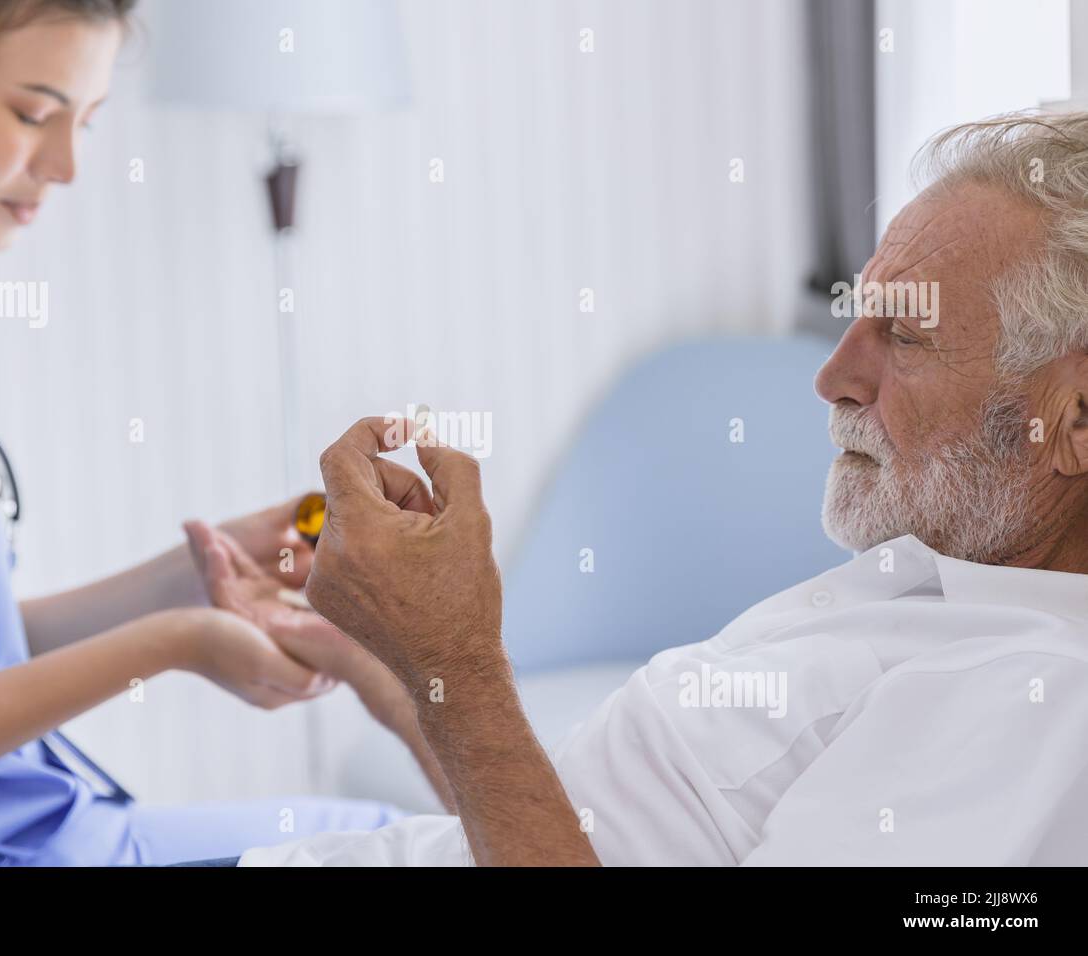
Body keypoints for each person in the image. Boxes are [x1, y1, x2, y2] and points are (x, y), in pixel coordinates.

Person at [237, 111, 1088, 866]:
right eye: (854, 318)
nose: (832, 375)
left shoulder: (1028, 702)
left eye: (903, 334)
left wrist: (452, 660)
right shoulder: (941, 591)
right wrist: (398, 663)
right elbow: (549, 831)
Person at [0, 0, 440, 866]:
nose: (63, 165)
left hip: (31, 828)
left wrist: (195, 577)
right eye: (33, 113)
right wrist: (172, 646)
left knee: (380, 836)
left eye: (85, 123)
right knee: (401, 849)